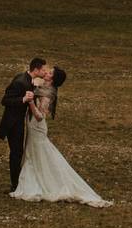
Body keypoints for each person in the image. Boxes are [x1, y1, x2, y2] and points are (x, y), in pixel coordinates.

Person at [10, 67, 112, 207]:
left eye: (50, 73)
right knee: (35, 153)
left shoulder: (48, 93)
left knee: (40, 153)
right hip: (31, 125)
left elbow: (40, 116)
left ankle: (44, 182)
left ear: (52, 79)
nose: (47, 73)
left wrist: (31, 102)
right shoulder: (43, 85)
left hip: (36, 126)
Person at [0, 58, 48, 192]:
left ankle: (18, 182)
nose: (45, 71)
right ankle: (15, 185)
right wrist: (24, 99)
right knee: (16, 153)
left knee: (18, 152)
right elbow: (5, 100)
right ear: (36, 70)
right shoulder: (20, 81)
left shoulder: (28, 79)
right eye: (43, 69)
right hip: (13, 123)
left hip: (19, 122)